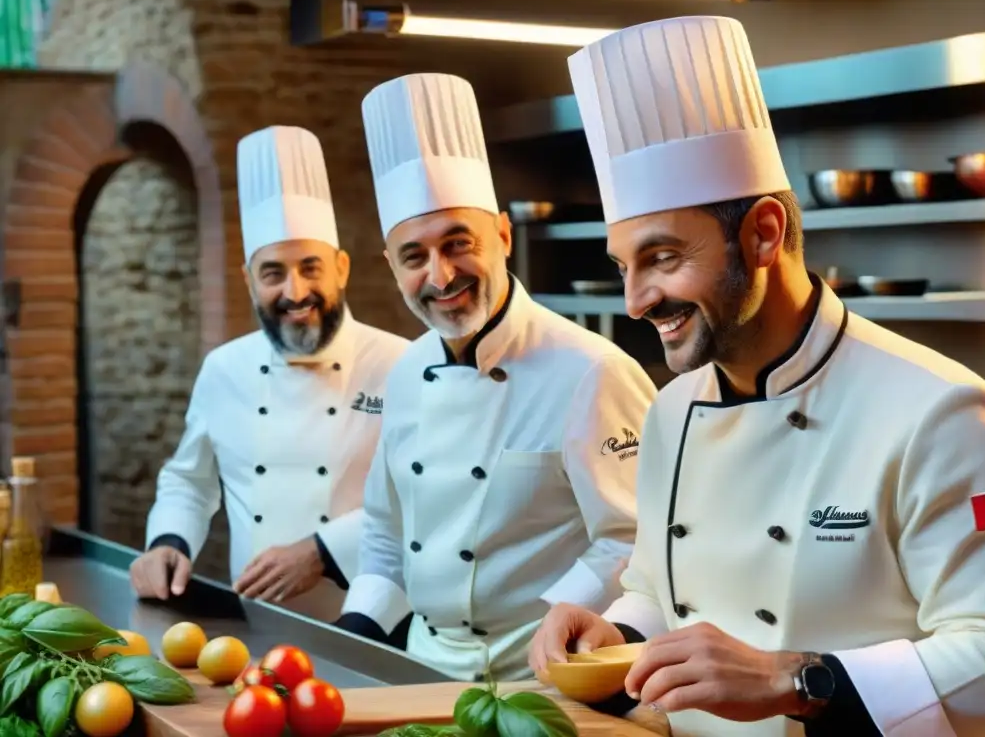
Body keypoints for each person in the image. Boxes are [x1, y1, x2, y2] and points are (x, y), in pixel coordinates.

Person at [528, 15, 985, 737]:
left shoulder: (941, 412)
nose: (635, 300)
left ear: (761, 234)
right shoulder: (671, 411)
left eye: (662, 258)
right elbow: (662, 589)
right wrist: (620, 637)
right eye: (623, 267)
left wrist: (797, 679)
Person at [336, 72, 658, 682]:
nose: (441, 275)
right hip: (420, 666)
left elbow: (634, 537)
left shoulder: (593, 371)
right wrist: (356, 636)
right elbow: (384, 530)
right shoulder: (405, 373)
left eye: (458, 243)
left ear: (503, 236)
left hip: (539, 675)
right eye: (414, 256)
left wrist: (554, 618)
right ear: (390, 265)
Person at [130, 125, 409, 624]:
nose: (294, 291)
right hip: (254, 627)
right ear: (249, 280)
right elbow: (188, 482)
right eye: (273, 272)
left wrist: (324, 551)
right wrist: (167, 541)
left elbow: (426, 497)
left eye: (310, 267)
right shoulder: (224, 368)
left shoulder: (401, 364)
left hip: (375, 625)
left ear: (341, 268)